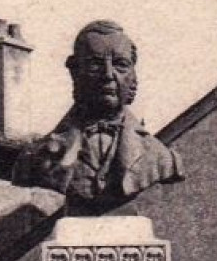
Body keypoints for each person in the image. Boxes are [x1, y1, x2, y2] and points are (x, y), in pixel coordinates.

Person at [11, 19, 184, 215]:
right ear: (74, 71)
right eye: (95, 64)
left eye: (120, 65)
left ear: (133, 76)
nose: (108, 74)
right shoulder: (35, 157)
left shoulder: (160, 157)